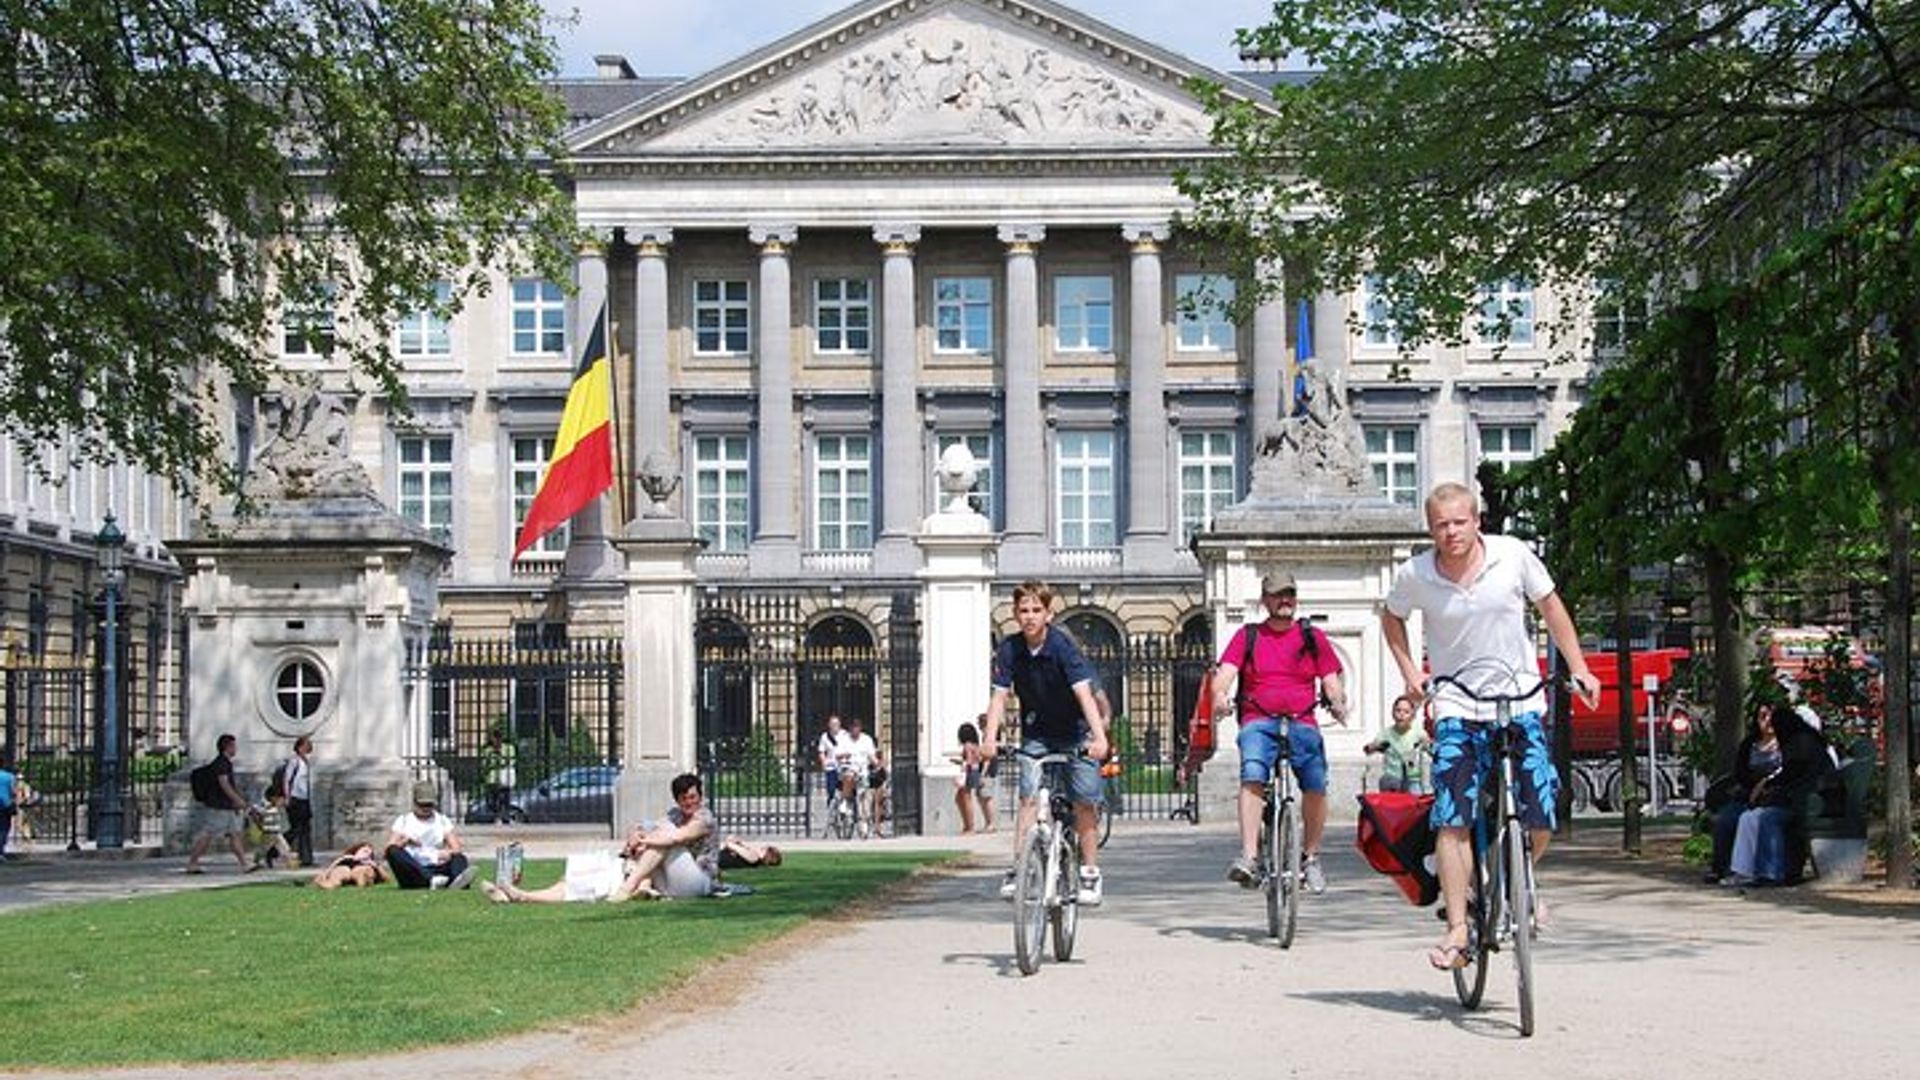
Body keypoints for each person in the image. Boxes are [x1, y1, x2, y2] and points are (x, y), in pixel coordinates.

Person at [1382, 481, 1599, 971]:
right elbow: (1391, 619)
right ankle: (1458, 929)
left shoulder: (1512, 555)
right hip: (1457, 704)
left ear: (1477, 521)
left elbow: (1551, 607)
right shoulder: (1416, 574)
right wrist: (1411, 673)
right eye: (1441, 525)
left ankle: (1511, 877)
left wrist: (1580, 667)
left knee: (1541, 812)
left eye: (1460, 522)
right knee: (1452, 817)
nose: (1451, 532)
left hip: (1518, 699)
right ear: (1430, 529)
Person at [1211, 569, 1349, 894]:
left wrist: (1337, 701)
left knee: (1316, 784)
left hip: (1302, 721)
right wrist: (1219, 696)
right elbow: (1224, 675)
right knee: (1252, 775)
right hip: (1258, 720)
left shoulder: (1312, 636)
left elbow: (1331, 680)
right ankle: (1249, 857)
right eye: (1277, 595)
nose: (1284, 600)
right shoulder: (1248, 635)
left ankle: (1311, 857)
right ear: (1265, 600)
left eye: (1289, 594)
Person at [982, 580, 1111, 905]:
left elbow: (1084, 695)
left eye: (1036, 610)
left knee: (1084, 802)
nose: (1029, 616)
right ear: (1015, 614)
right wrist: (989, 739)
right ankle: (1018, 868)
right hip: (1037, 733)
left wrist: (1099, 737)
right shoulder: (1010, 649)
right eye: (1023, 610)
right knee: (1028, 798)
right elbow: (999, 698)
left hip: (1075, 732)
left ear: (1048, 614)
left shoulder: (1062, 647)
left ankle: (1090, 872)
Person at [483, 773, 720, 903]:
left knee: (664, 837)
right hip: (668, 878)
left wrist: (645, 841)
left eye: (693, 797)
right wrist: (635, 836)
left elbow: (676, 837)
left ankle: (632, 886)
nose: (690, 802)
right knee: (584, 877)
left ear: (700, 796)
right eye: (684, 799)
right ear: (677, 800)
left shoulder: (704, 818)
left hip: (698, 881)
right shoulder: (675, 814)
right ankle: (522, 895)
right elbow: (644, 826)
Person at [1725, 703, 1832, 887]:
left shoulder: (1800, 744)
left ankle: (1770, 872)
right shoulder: (1803, 740)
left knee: (1768, 818)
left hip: (1811, 802)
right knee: (1750, 817)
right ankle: (1747, 870)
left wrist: (1767, 785)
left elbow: (1791, 774)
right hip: (1806, 800)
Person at [185, 734, 256, 875]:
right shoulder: (221, 763)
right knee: (207, 834)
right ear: (227, 747)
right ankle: (192, 863)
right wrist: (238, 800)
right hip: (219, 807)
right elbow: (225, 784)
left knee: (235, 834)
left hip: (226, 806)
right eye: (233, 745)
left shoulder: (224, 763)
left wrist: (236, 802)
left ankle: (244, 864)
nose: (235, 749)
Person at [385, 780, 475, 890]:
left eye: (429, 805)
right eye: (422, 805)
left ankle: (456, 880)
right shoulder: (403, 820)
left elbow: (456, 848)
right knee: (393, 851)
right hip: (414, 868)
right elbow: (390, 848)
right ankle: (432, 879)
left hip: (436, 864)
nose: (426, 809)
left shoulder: (442, 820)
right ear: (414, 803)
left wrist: (447, 853)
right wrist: (405, 841)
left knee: (459, 858)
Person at [1364, 695, 1432, 794]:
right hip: (1392, 777)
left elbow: (1430, 748)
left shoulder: (1418, 733)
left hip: (1412, 777)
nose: (1401, 715)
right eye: (1398, 711)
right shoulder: (1386, 733)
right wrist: (1374, 746)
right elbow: (1369, 749)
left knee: (1415, 792)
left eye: (1406, 712)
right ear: (1393, 713)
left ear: (1413, 716)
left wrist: (1428, 743)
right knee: (1386, 781)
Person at [840, 717, 882, 836]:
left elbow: (872, 756)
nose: (855, 730)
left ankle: (864, 820)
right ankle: (845, 800)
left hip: (863, 770)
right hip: (848, 767)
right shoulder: (844, 739)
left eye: (857, 727)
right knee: (849, 777)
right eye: (853, 727)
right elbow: (837, 755)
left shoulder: (867, 740)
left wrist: (878, 765)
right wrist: (844, 755)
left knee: (866, 794)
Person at [282, 736, 315, 869]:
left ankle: (307, 858)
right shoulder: (294, 762)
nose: (309, 747)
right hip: (295, 799)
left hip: (305, 799)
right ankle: (275, 848)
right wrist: (287, 797)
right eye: (307, 745)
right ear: (300, 747)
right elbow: (287, 779)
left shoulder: (305, 761)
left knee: (306, 829)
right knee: (296, 829)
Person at [312, 842, 391, 889]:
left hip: (360, 869)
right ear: (356, 850)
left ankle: (363, 881)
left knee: (363, 870)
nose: (368, 853)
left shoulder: (371, 863)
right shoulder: (347, 858)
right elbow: (334, 865)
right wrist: (326, 873)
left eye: (370, 853)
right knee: (342, 871)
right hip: (346, 868)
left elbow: (386, 878)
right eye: (365, 851)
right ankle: (331, 884)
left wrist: (375, 865)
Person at [480, 727, 517, 826]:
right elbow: (484, 764)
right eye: (494, 737)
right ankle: (497, 816)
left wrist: (500, 759)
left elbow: (511, 760)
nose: (496, 740)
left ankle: (506, 817)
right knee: (494, 799)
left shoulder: (509, 748)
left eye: (498, 737)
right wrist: (494, 760)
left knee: (506, 798)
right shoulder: (487, 750)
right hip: (492, 778)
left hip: (505, 777)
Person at [955, 721, 985, 834]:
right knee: (961, 798)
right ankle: (968, 825)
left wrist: (962, 768)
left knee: (965, 799)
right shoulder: (976, 746)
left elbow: (968, 761)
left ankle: (969, 826)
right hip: (975, 771)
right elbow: (979, 759)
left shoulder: (967, 746)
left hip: (969, 772)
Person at [816, 714, 849, 811]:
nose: (835, 726)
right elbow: (821, 751)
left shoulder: (845, 735)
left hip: (843, 765)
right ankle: (831, 806)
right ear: (829, 725)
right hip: (831, 765)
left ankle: (844, 804)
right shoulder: (825, 736)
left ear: (840, 724)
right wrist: (823, 761)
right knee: (831, 788)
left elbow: (850, 749)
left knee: (845, 786)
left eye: (836, 724)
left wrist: (845, 756)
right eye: (833, 724)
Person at [0, 752, 17, 860]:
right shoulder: (9, 777)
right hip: (5, 805)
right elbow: (13, 792)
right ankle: (0, 851)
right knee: (4, 828)